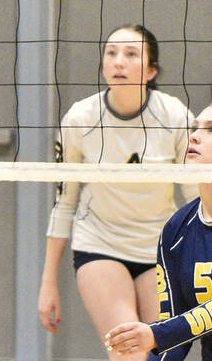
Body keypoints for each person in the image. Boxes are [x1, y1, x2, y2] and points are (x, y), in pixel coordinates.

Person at [38, 24, 196, 361]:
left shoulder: (174, 116)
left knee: (163, 356)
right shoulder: (80, 118)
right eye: (111, 53)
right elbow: (64, 202)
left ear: (151, 70)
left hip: (160, 250)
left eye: (131, 54)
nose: (118, 62)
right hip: (101, 245)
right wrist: (48, 281)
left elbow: (198, 198)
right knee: (129, 354)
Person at [104, 103, 212, 359]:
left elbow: (167, 332)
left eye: (211, 130)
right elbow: (174, 335)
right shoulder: (177, 232)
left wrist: (157, 335)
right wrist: (157, 342)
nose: (194, 136)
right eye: (194, 127)